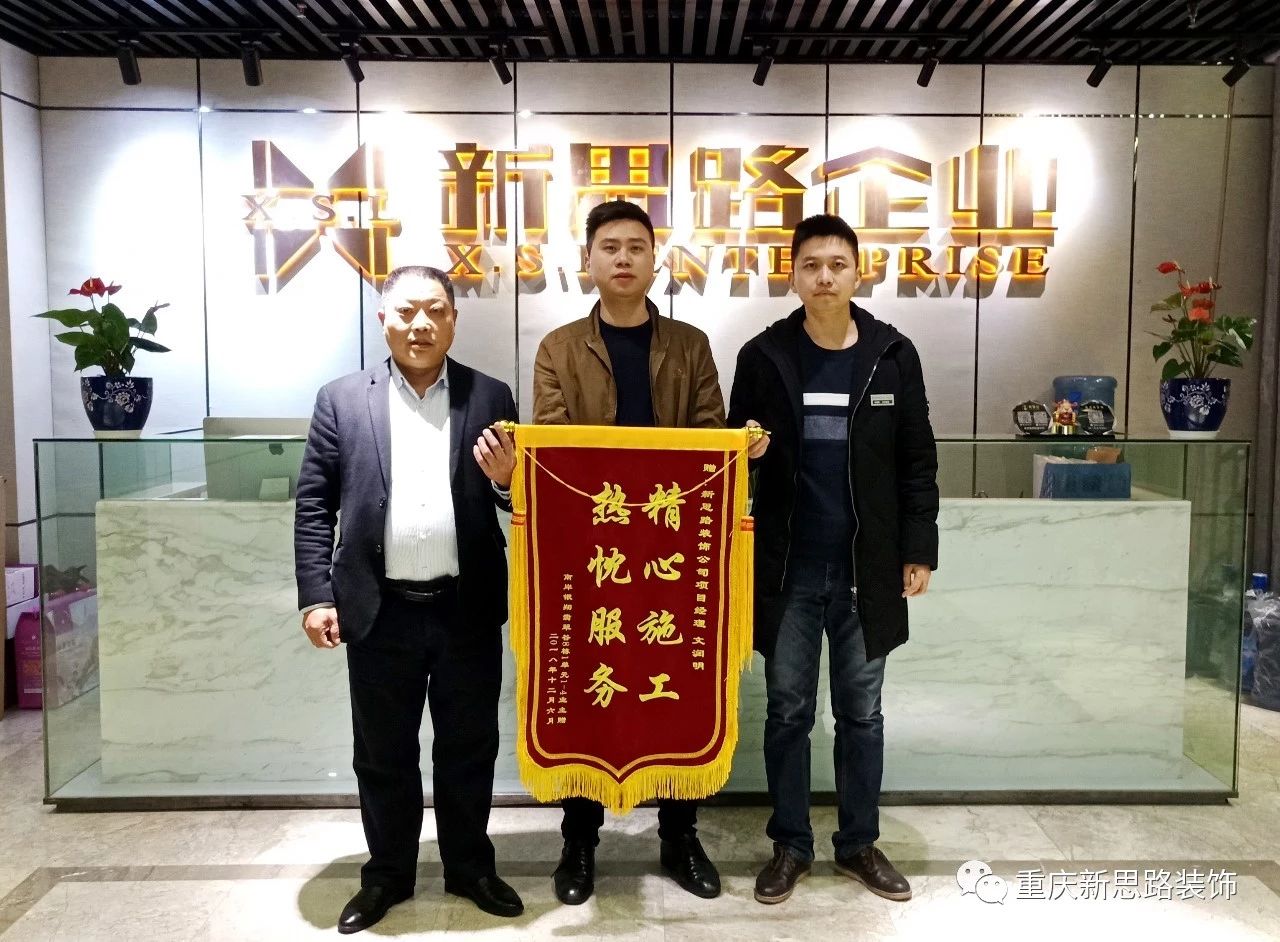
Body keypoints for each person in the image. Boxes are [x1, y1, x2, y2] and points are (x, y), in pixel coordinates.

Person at [532, 198, 768, 905]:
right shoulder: (558, 348)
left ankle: (680, 835)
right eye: (610, 246)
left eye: (637, 246)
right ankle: (579, 841)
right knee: (590, 685)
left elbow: (710, 436)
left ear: (655, 259)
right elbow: (553, 447)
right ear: (588, 260)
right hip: (592, 548)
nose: (624, 258)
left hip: (672, 547)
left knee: (677, 682)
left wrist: (742, 448)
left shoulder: (689, 346)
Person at [295, 265, 523, 933]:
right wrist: (317, 596)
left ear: (453, 319)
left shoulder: (491, 395)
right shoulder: (341, 400)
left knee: (469, 748)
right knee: (382, 753)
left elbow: (520, 498)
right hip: (378, 609)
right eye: (405, 312)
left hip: (465, 606)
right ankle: (388, 874)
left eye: (435, 311)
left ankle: (470, 867)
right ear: (383, 320)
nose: (420, 324)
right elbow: (314, 504)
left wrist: (508, 481)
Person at [727, 214, 939, 905]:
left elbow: (917, 459)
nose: (824, 277)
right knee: (788, 712)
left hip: (865, 570)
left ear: (858, 272)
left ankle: (858, 844)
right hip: (788, 569)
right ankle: (790, 845)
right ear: (791, 275)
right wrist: (750, 454)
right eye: (811, 265)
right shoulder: (763, 356)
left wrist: (919, 548)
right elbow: (731, 460)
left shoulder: (892, 354)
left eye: (837, 264)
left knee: (862, 713)